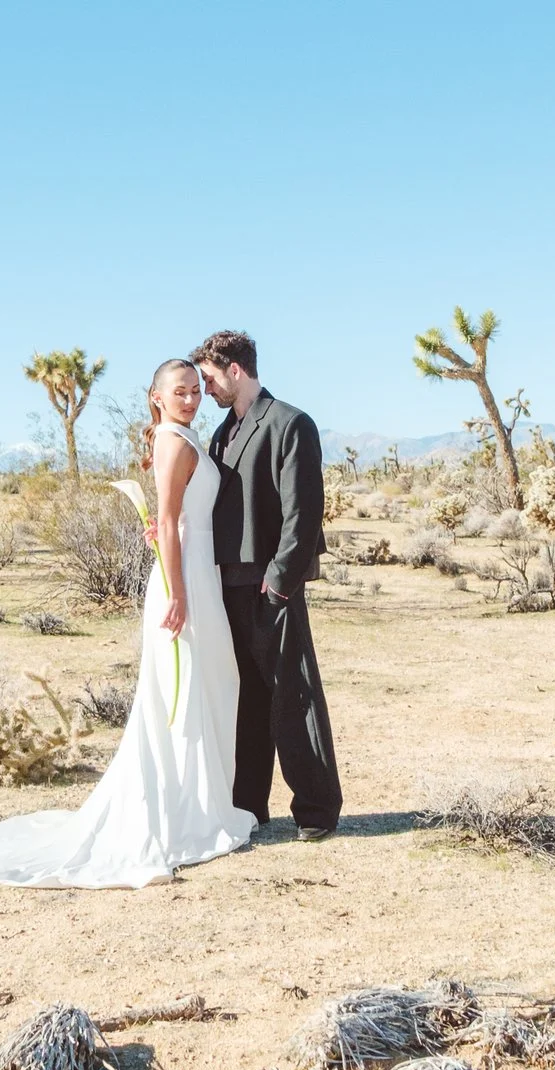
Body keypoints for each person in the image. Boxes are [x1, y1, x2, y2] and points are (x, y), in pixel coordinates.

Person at [0, 359, 253, 888]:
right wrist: (176, 593)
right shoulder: (174, 441)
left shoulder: (181, 438)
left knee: (212, 683)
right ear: (156, 397)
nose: (192, 399)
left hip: (199, 572)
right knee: (185, 690)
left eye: (197, 390)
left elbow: (170, 520)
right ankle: (185, 816)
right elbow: (170, 520)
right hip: (185, 582)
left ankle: (204, 807)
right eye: (181, 391)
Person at [189, 330, 342, 840]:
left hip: (269, 585)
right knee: (245, 700)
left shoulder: (290, 423)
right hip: (225, 586)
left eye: (209, 378)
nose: (204, 389)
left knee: (292, 696)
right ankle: (247, 806)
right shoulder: (219, 434)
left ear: (235, 369)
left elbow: (304, 511)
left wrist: (279, 584)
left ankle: (318, 811)